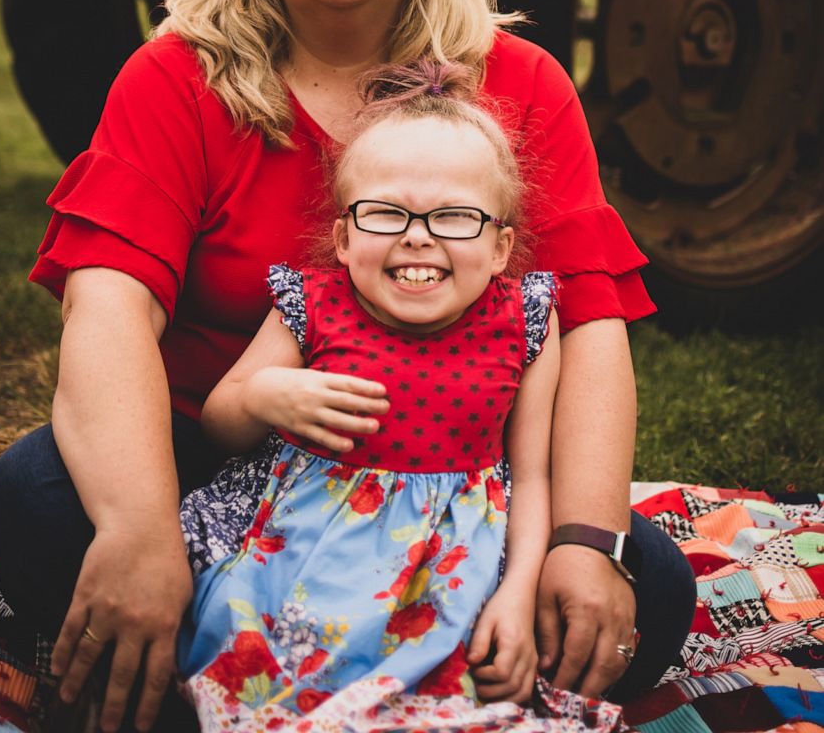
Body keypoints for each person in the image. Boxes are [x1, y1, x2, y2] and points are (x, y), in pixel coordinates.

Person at [0, 0, 695, 733]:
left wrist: (580, 539)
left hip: (452, 489)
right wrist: (141, 527)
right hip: (218, 472)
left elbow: (590, 324)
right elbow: (107, 306)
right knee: (35, 500)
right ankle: (253, 674)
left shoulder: (520, 81)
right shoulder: (178, 77)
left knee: (644, 583)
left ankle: (312, 682)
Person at [176, 59, 630, 732]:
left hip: (453, 562)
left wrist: (517, 591)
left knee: (476, 679)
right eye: (386, 212)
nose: (417, 235)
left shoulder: (527, 322)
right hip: (302, 548)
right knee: (239, 657)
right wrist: (266, 395)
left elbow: (532, 476)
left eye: (453, 216)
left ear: (501, 247)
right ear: (343, 236)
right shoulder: (311, 303)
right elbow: (221, 419)